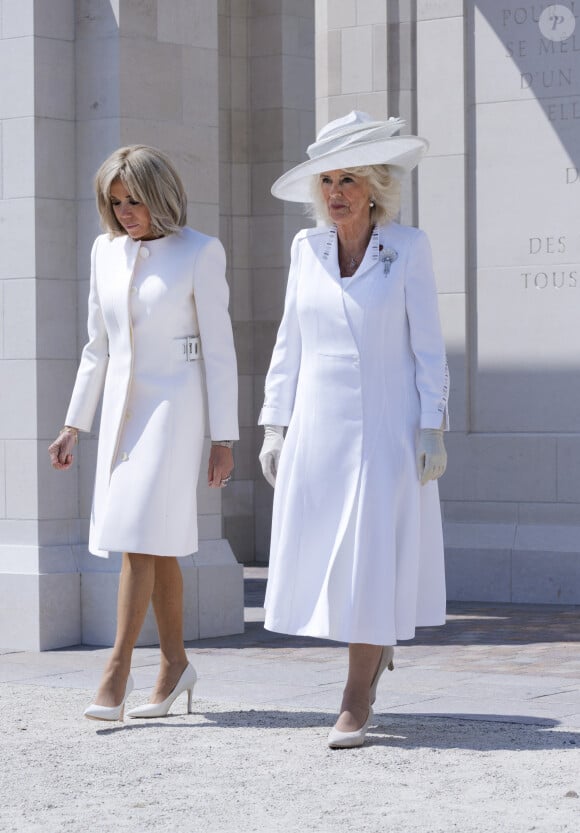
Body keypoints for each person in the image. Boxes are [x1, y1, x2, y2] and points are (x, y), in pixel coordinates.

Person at [258, 112, 449, 749]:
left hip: (388, 430)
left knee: (371, 555)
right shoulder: (304, 250)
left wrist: (432, 427)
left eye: (349, 179)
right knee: (330, 560)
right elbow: (289, 341)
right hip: (319, 428)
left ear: (374, 187)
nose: (336, 191)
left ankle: (356, 694)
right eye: (328, 180)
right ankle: (375, 649)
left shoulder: (409, 248)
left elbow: (429, 347)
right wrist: (274, 425)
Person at [49, 145, 238, 722]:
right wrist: (73, 423)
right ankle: (175, 665)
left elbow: (221, 350)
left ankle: (116, 671)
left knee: (136, 532)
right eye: (116, 202)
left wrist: (223, 437)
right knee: (152, 540)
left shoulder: (201, 252)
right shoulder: (105, 253)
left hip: (176, 412)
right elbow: (96, 346)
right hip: (122, 416)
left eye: (134, 200)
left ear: (161, 195)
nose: (125, 211)